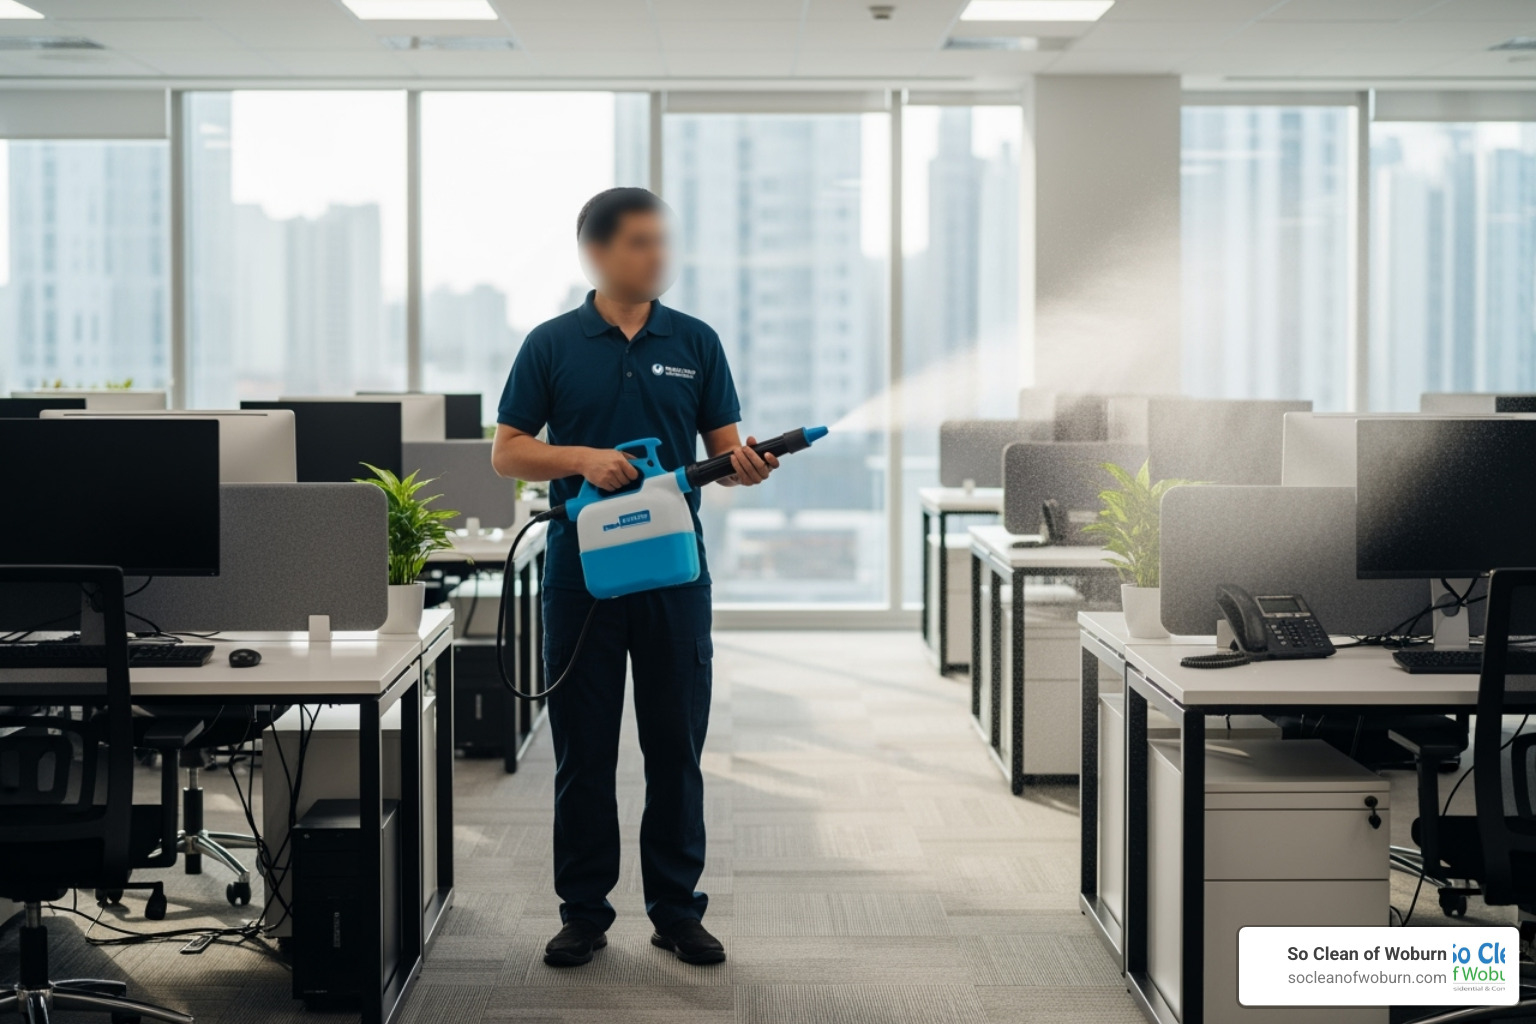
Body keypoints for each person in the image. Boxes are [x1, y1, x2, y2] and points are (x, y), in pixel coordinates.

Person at [491, 187, 776, 968]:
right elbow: (508, 450)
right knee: (584, 750)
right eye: (642, 243)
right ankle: (583, 912)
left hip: (674, 574)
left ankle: (677, 911)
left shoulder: (696, 340)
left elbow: (720, 453)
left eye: (665, 243)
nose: (660, 257)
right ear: (597, 251)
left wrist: (743, 467)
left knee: (675, 747)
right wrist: (581, 458)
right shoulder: (552, 343)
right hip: (582, 576)